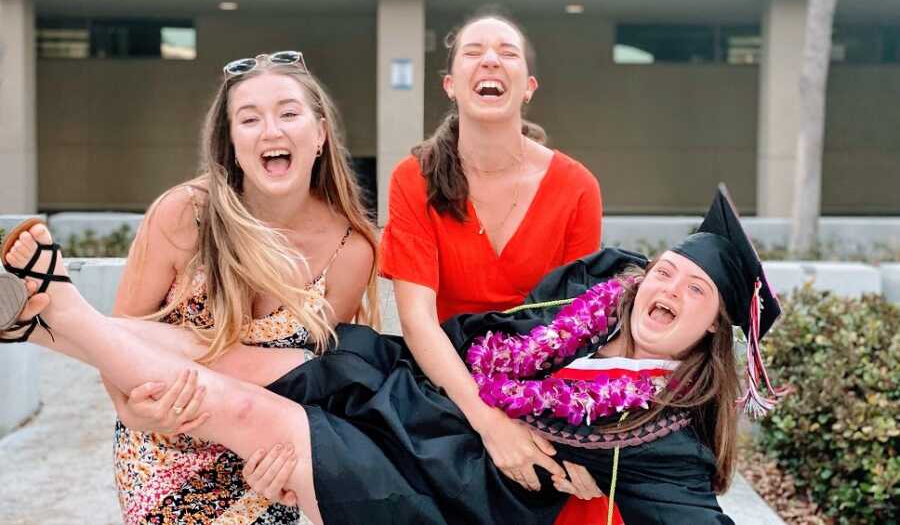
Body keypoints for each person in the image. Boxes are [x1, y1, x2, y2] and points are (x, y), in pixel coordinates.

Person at [0, 185, 786, 524]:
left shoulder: (662, 435)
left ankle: (60, 308)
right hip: (414, 390)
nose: (671, 289)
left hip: (432, 490)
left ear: (713, 334)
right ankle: (37, 325)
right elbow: (496, 331)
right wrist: (485, 407)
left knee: (239, 406)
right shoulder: (596, 285)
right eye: (669, 271)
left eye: (695, 294)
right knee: (236, 353)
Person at [107, 51, 380, 524]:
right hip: (164, 450)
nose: (271, 131)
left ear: (319, 135)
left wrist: (291, 462)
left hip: (267, 457)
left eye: (289, 113)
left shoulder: (350, 249)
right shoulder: (183, 216)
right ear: (232, 143)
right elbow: (117, 336)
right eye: (249, 119)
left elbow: (315, 380)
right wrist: (133, 414)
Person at [380, 13, 603, 491]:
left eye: (507, 52)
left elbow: (580, 323)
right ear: (450, 85)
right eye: (473, 51)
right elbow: (417, 321)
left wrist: (566, 433)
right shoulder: (411, 179)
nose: (490, 61)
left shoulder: (577, 187)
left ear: (529, 87)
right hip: (446, 386)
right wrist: (488, 422)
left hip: (543, 385)